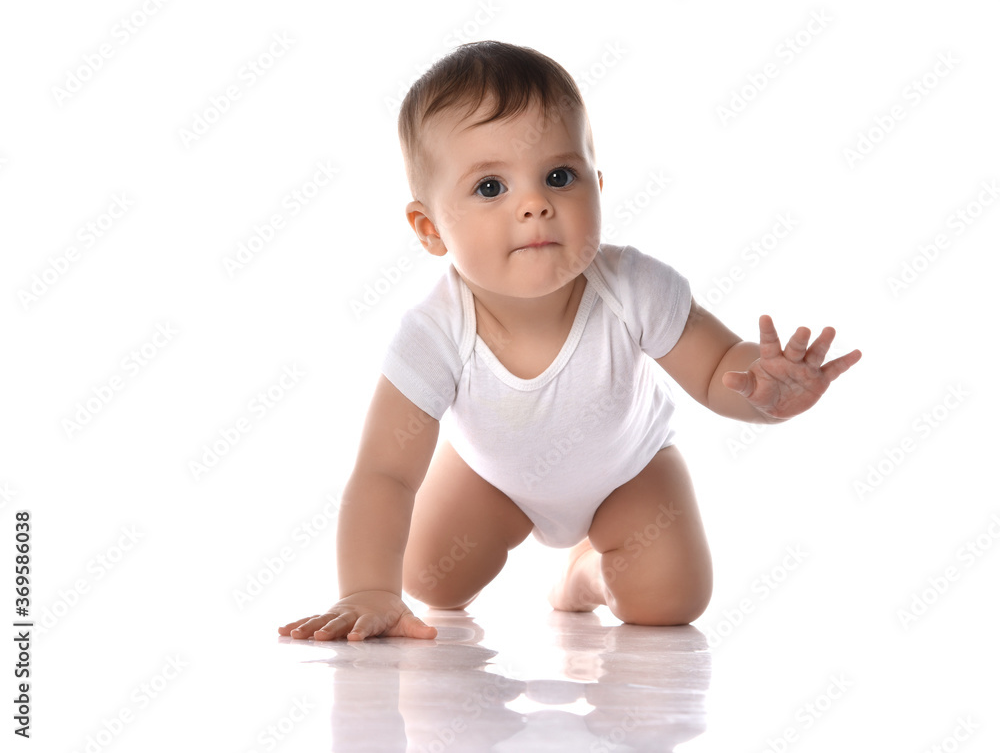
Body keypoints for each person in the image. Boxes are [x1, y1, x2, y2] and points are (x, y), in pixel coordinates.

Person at [278, 40, 861, 642]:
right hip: (492, 478)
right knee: (429, 579)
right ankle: (477, 548)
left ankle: (584, 576)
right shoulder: (434, 332)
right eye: (490, 188)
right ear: (430, 229)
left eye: (559, 177)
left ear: (597, 186)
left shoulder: (635, 286)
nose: (535, 204)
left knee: (670, 601)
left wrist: (764, 389)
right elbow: (384, 474)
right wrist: (367, 589)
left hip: (629, 474)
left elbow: (718, 371)